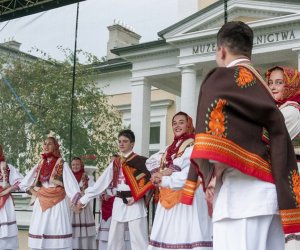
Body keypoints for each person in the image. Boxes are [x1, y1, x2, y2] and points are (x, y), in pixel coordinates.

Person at [181, 21, 300, 250]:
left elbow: (213, 144)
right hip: (272, 197)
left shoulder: (221, 79)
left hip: (240, 198)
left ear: (222, 50)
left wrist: (210, 174)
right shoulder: (262, 88)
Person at [146, 111, 213, 250]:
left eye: (181, 122)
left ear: (189, 125)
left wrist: (163, 175)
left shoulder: (195, 145)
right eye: (174, 123)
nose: (177, 126)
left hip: (188, 197)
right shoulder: (169, 148)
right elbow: (151, 161)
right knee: (168, 234)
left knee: (187, 233)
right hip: (169, 196)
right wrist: (159, 174)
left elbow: (184, 169)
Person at [78, 129, 153, 250]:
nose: (121, 144)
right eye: (119, 141)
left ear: (132, 143)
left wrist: (137, 197)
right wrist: (85, 198)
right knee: (114, 239)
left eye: (125, 141)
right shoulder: (116, 163)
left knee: (139, 239)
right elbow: (101, 183)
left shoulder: (141, 161)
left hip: (135, 202)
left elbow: (151, 181)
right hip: (119, 201)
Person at [19, 136, 81, 250]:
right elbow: (24, 183)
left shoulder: (62, 164)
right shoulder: (40, 163)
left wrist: (77, 201)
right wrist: (35, 192)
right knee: (40, 227)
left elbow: (72, 185)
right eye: (45, 144)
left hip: (57, 202)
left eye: (50, 144)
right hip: (42, 201)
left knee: (56, 228)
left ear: (55, 146)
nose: (46, 146)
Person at [266, 66, 300, 247]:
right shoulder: (277, 109)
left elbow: (267, 139)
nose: (272, 87)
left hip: (292, 174)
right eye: (270, 82)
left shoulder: (291, 111)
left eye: (279, 83)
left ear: (291, 85)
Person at [97, 154, 131, 250]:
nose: (113, 164)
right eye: (111, 162)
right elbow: (101, 188)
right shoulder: (107, 174)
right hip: (107, 206)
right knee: (106, 233)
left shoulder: (123, 174)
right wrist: (103, 195)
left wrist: (111, 196)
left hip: (118, 204)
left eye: (114, 162)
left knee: (119, 232)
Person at [70, 157, 97, 250]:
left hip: (84, 208)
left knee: (84, 230)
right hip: (71, 206)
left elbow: (93, 191)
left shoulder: (87, 177)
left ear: (81, 165)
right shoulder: (68, 177)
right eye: (73, 164)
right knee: (72, 229)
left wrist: (82, 201)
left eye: (77, 164)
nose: (75, 166)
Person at [0, 144, 23, 250]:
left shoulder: (8, 167)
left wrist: (8, 189)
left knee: (8, 238)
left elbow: (21, 182)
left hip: (5, 202)